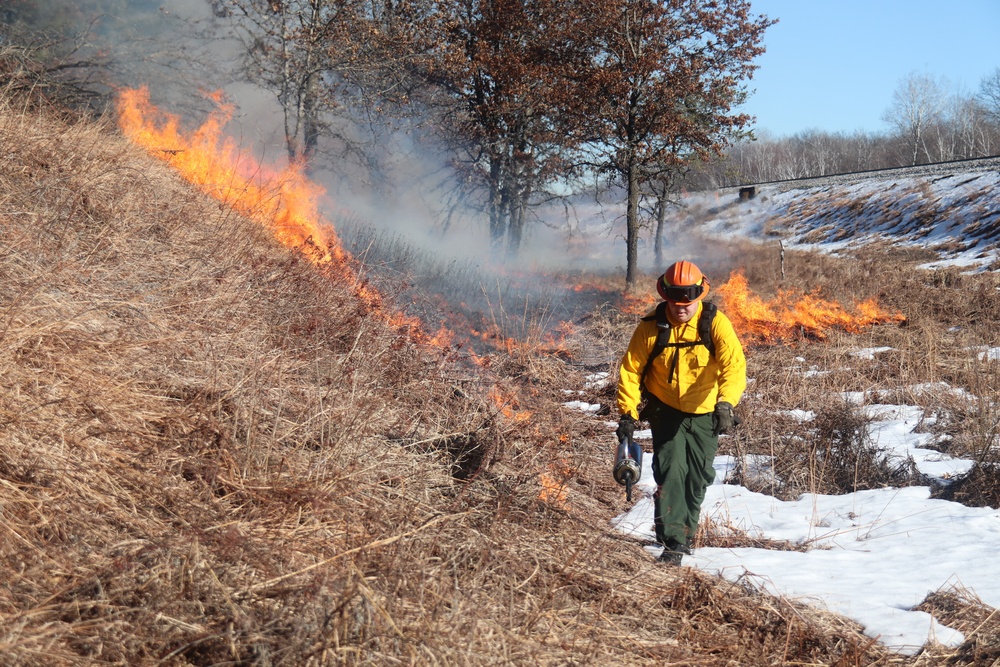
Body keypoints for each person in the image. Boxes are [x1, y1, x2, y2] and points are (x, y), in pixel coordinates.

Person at [616, 260, 746, 564]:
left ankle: (678, 532)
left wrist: (726, 403)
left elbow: (734, 366)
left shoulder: (715, 323)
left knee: (698, 477)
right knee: (672, 471)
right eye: (674, 301)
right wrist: (627, 413)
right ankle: (675, 542)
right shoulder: (651, 327)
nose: (680, 308)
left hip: (705, 411)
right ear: (666, 296)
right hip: (666, 409)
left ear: (699, 296)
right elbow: (631, 371)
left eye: (687, 302)